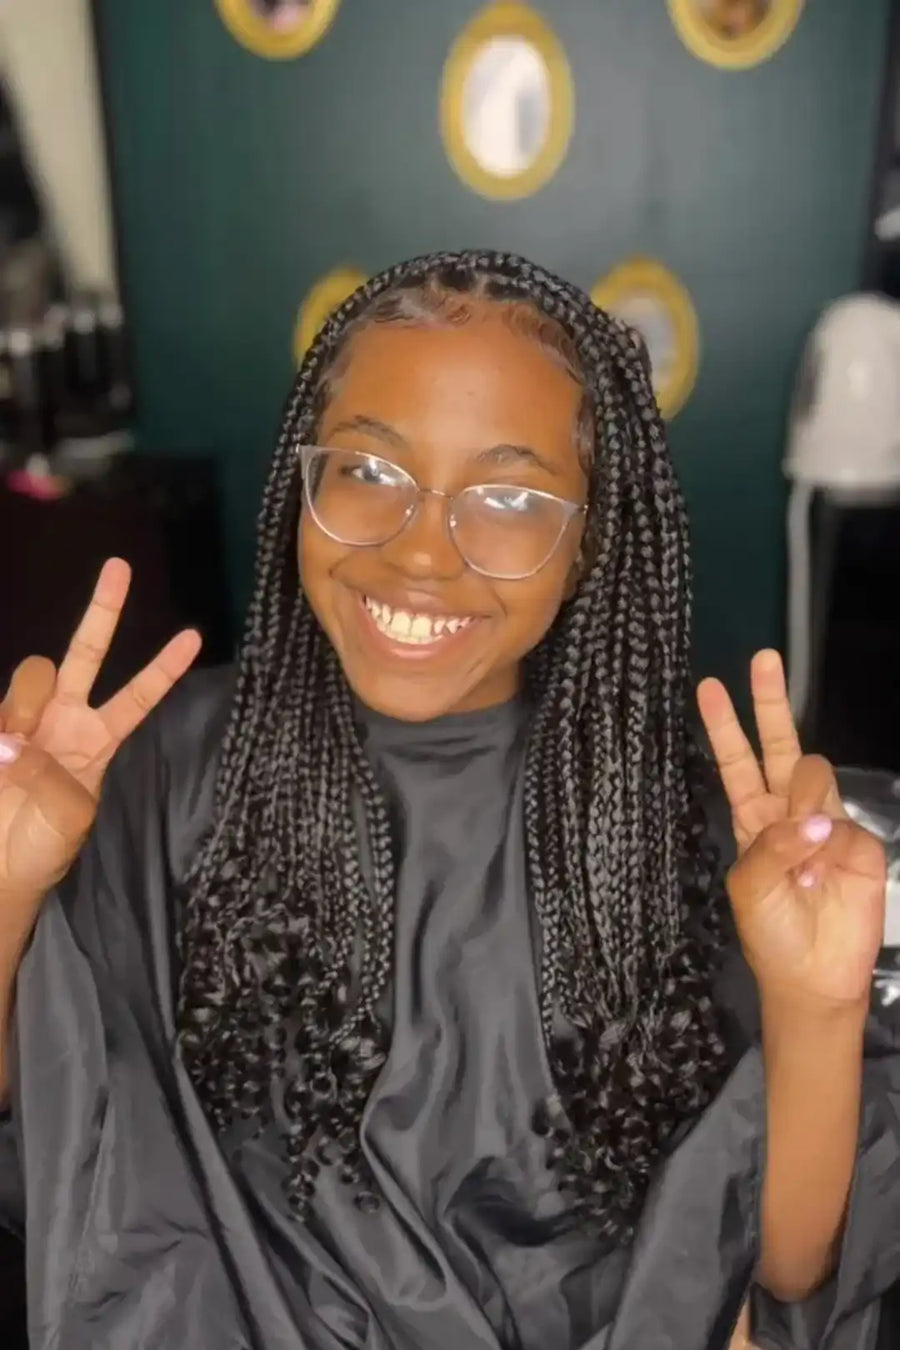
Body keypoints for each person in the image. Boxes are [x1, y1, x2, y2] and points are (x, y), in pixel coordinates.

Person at [0, 250, 896, 1350]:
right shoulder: (163, 777)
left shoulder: (667, 832)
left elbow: (788, 1277)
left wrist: (815, 1009)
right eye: (369, 472)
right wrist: (6, 890)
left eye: (511, 496)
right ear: (303, 486)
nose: (421, 551)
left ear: (590, 545)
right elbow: (43, 1148)